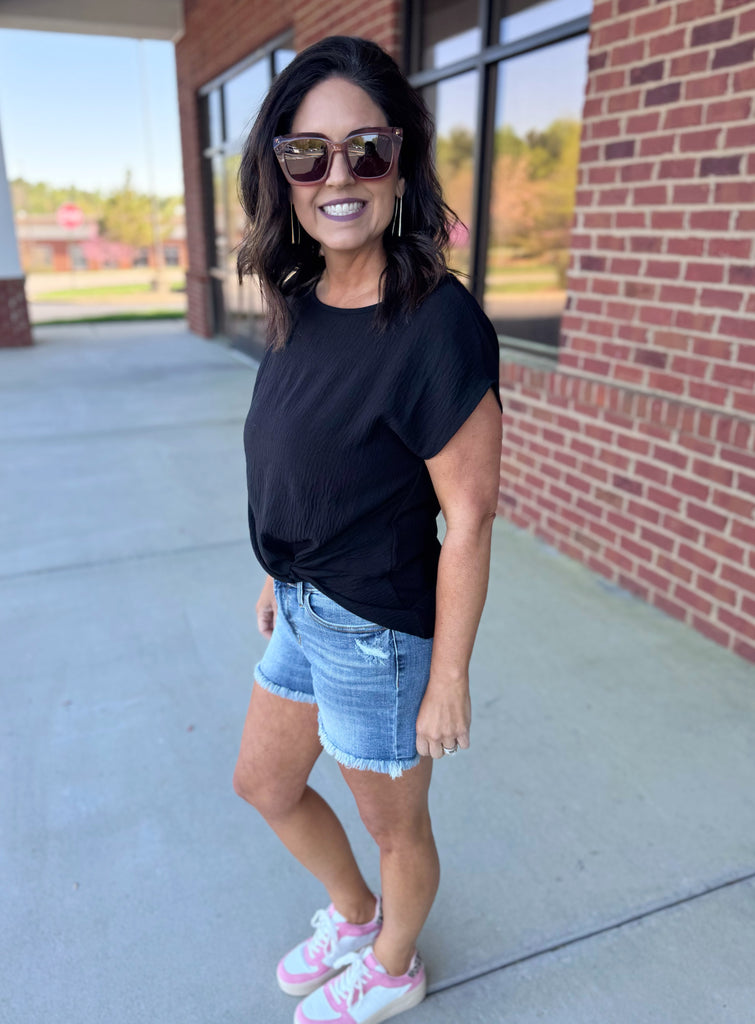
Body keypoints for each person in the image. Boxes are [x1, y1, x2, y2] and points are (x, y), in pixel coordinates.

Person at [233, 35, 502, 1024]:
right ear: (281, 173)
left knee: (397, 829)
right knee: (265, 783)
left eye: (366, 150)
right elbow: (306, 456)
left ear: (401, 161)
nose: (337, 176)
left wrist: (448, 676)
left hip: (375, 631)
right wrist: (279, 567)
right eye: (307, 154)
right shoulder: (300, 299)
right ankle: (354, 916)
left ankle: (393, 963)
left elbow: (469, 516)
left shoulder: (436, 322)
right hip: (303, 605)